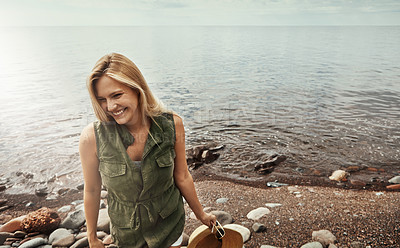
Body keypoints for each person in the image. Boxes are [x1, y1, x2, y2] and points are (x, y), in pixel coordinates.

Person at [79, 53, 216, 248]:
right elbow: (92, 190)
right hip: (127, 234)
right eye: (102, 99)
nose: (110, 106)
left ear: (137, 89)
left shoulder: (172, 125)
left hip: (169, 226)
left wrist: (201, 214)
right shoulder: (91, 138)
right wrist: (92, 238)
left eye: (117, 95)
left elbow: (183, 175)